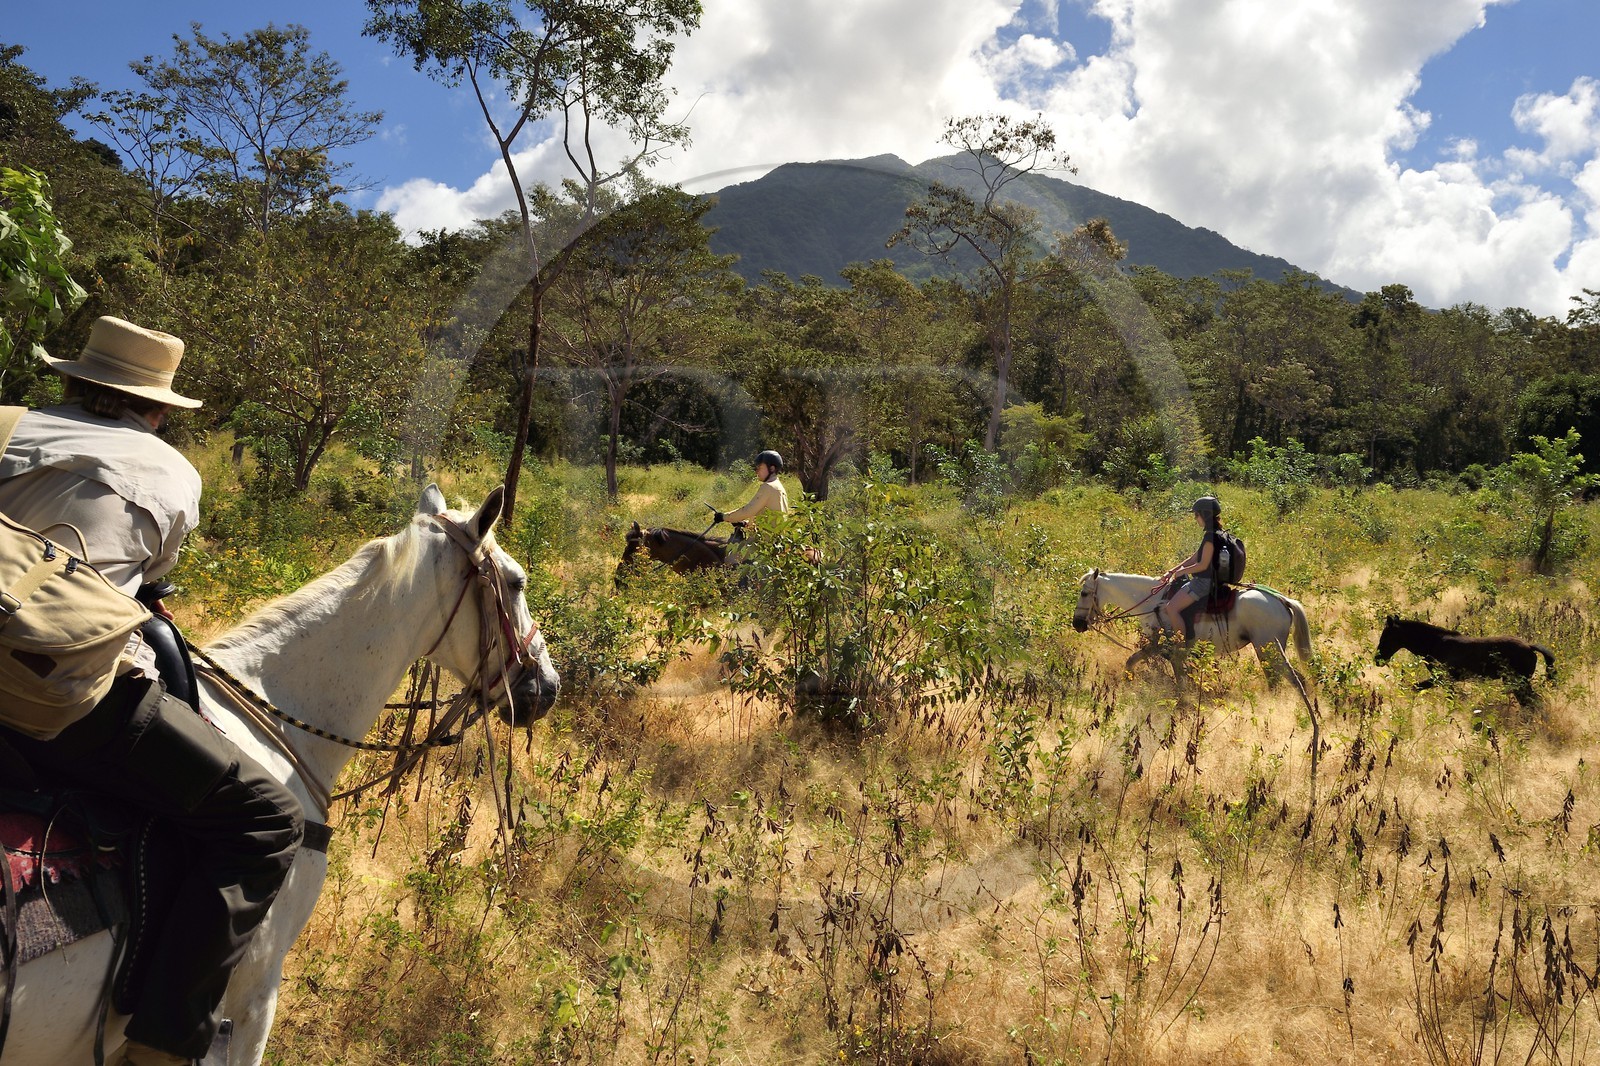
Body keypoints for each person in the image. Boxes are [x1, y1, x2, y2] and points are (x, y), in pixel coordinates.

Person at [0, 316, 303, 1066]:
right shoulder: (170, 473)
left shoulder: (6, 423)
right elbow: (152, 571)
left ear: (71, 378)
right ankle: (164, 1046)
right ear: (158, 407)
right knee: (265, 821)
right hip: (54, 698)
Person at [1152, 496, 1225, 645]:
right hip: (1210, 581)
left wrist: (1180, 573)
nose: (1195, 518)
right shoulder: (1216, 534)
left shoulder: (1211, 537)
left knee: (1171, 608)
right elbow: (1193, 559)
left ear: (1204, 515)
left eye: (1196, 515)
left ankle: (1181, 647)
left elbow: (1203, 565)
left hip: (1204, 583)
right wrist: (1172, 571)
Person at [713, 449, 790, 534]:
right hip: (776, 539)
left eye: (760, 468)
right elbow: (762, 513)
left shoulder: (768, 487)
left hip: (765, 542)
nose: (756, 471)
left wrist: (724, 517)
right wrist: (745, 523)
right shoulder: (778, 486)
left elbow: (748, 510)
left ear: (772, 468)